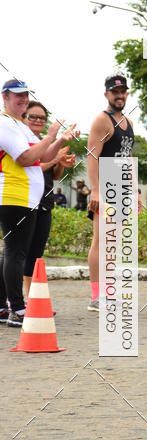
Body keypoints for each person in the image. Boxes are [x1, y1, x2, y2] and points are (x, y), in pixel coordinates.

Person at [0, 79, 77, 326]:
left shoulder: (19, 126)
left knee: (15, 251)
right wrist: (52, 135)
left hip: (27, 197)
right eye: (17, 96)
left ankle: (7, 306)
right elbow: (25, 158)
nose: (22, 99)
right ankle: (17, 309)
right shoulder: (5, 123)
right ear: (5, 97)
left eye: (25, 95)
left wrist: (59, 140)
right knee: (16, 251)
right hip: (14, 194)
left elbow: (42, 154)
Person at [86, 73, 135, 312]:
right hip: (106, 187)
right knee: (101, 240)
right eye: (115, 92)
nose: (119, 95)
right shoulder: (101, 121)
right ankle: (97, 297)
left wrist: (133, 191)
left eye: (123, 91)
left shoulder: (128, 123)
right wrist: (95, 190)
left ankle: (107, 292)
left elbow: (128, 158)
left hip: (121, 186)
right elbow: (92, 155)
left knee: (113, 242)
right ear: (106, 94)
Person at [22, 102, 75, 297]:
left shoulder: (45, 143)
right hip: (24, 203)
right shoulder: (20, 141)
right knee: (18, 253)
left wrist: (61, 163)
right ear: (23, 118)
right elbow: (32, 166)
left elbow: (53, 174)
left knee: (36, 253)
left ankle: (31, 299)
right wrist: (54, 159)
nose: (38, 121)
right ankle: (12, 301)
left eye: (42, 118)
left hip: (45, 203)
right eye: (33, 117)